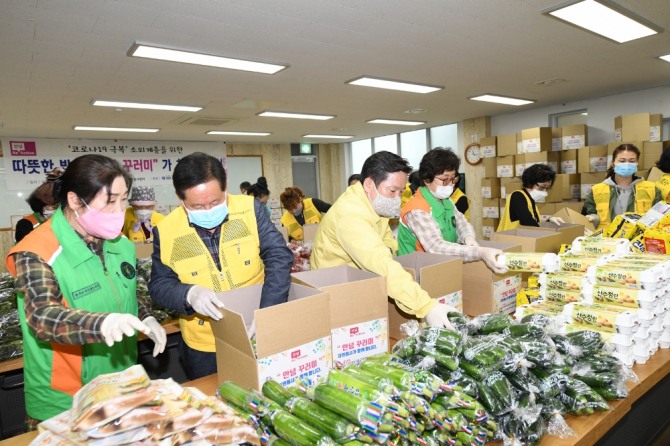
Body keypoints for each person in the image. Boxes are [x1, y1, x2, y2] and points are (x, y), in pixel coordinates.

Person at [5, 154, 166, 425]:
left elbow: (125, 290)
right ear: (75, 201)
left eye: (124, 199)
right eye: (110, 202)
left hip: (122, 384)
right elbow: (43, 317)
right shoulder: (36, 251)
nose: (119, 210)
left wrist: (146, 315)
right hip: (66, 400)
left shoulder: (121, 244)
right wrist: (102, 324)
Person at [148, 152, 293, 380]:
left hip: (256, 328)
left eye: (215, 202)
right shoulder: (166, 230)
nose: (208, 211)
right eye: (197, 206)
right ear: (180, 198)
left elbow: (278, 255)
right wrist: (189, 294)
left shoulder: (250, 210)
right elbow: (158, 285)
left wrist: (268, 310)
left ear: (225, 189)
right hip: (204, 345)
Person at [311, 151, 460, 329]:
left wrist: (388, 252)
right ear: (368, 184)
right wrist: (426, 306)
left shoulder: (372, 203)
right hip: (335, 292)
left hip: (358, 282)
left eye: (401, 191)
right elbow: (379, 261)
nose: (397, 198)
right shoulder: (350, 215)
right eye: (392, 191)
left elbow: (386, 239)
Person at [398, 148, 506, 274]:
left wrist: (468, 237)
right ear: (427, 179)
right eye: (445, 179)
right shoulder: (417, 209)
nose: (450, 184)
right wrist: (479, 252)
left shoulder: (446, 200)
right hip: (416, 273)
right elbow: (435, 247)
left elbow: (461, 222)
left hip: (440, 267)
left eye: (453, 179)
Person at [583, 143, 662, 230]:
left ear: (637, 164)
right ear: (613, 163)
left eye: (631, 161)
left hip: (638, 240)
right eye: (622, 161)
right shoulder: (597, 190)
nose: (627, 164)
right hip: (606, 240)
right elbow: (589, 214)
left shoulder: (652, 189)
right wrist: (594, 218)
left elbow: (660, 218)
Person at [497, 163, 563, 231]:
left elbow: (534, 223)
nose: (545, 191)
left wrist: (549, 222)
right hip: (508, 239)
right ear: (530, 183)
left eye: (547, 188)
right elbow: (527, 223)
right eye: (543, 187)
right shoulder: (517, 196)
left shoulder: (531, 202)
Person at [15, 168, 64, 243]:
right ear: (41, 205)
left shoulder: (62, 222)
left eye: (59, 206)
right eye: (53, 206)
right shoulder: (25, 224)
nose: (56, 210)